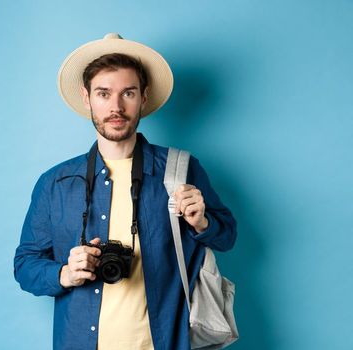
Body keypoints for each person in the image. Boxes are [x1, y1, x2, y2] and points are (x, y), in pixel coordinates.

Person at [12, 33, 237, 350]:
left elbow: (227, 237)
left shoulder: (180, 169)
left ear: (143, 97)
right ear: (87, 97)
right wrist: (65, 273)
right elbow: (25, 265)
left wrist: (202, 222)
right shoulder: (55, 183)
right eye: (104, 93)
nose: (116, 106)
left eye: (127, 93)